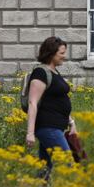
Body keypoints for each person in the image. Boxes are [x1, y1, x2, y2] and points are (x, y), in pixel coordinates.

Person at [25, 37, 78, 173]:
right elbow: (32, 102)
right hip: (48, 127)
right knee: (68, 164)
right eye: (61, 53)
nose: (64, 57)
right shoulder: (41, 73)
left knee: (45, 168)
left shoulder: (54, 72)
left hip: (56, 127)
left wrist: (71, 122)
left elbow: (58, 100)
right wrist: (30, 133)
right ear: (51, 53)